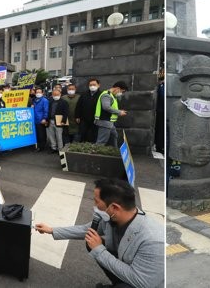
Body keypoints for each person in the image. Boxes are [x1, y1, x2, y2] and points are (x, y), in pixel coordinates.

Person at [34, 179, 165, 288]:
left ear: (114, 207)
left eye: (97, 201)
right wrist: (51, 230)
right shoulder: (112, 217)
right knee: (91, 241)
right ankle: (117, 283)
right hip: (128, 267)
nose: (95, 205)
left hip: (144, 284)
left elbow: (143, 282)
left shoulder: (153, 240)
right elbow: (85, 230)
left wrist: (99, 250)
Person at [95, 81, 128, 147]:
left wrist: (119, 111)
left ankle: (114, 152)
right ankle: (93, 155)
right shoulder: (106, 95)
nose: (121, 93)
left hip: (109, 122)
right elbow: (106, 107)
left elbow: (110, 107)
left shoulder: (112, 95)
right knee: (101, 142)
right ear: (117, 88)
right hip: (105, 122)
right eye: (122, 91)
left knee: (114, 136)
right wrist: (119, 112)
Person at [78, 79, 102, 143]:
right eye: (90, 85)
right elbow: (79, 105)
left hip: (96, 119)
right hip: (84, 118)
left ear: (98, 85)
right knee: (83, 134)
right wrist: (77, 116)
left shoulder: (101, 95)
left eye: (94, 84)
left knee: (94, 135)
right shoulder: (84, 94)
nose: (92, 86)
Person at [33, 87, 50, 152]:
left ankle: (42, 147)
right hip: (35, 120)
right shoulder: (34, 100)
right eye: (37, 92)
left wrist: (44, 118)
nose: (38, 93)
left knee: (41, 134)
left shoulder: (45, 100)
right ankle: (38, 146)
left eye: (39, 92)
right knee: (37, 134)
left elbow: (46, 110)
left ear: (42, 93)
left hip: (41, 120)